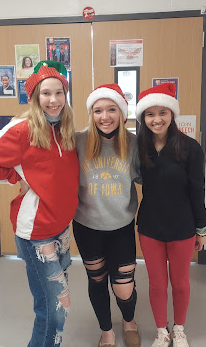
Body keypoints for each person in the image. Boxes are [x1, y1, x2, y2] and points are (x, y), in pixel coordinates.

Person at [0, 61, 79, 347]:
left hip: (61, 229)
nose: (54, 100)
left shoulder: (64, 129)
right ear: (36, 97)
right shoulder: (23, 130)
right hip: (38, 234)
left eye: (59, 93)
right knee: (52, 311)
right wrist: (14, 175)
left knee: (59, 305)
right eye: (46, 93)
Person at [135, 83, 206, 347]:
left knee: (179, 283)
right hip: (150, 227)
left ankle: (178, 329)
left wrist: (202, 227)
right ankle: (161, 331)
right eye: (150, 114)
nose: (157, 119)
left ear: (172, 114)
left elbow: (197, 189)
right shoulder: (139, 147)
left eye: (163, 112)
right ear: (143, 118)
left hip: (182, 226)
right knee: (156, 284)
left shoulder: (190, 147)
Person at [73, 84, 141, 347]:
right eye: (98, 110)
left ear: (121, 112)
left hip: (121, 225)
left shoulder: (133, 143)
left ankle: (129, 319)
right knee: (97, 279)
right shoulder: (78, 141)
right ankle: (106, 331)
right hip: (87, 225)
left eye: (111, 109)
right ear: (92, 114)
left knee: (124, 287)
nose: (105, 116)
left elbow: (152, 177)